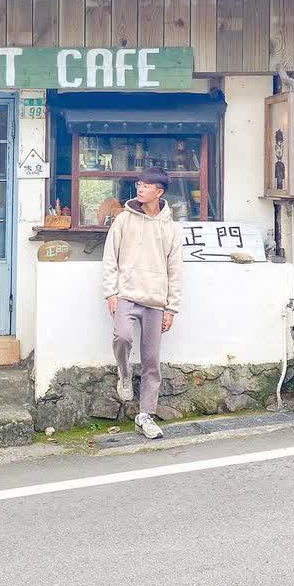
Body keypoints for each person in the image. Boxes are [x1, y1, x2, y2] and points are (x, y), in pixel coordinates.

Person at [102, 166, 184, 439]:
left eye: (146, 185)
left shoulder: (170, 228)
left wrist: (171, 307)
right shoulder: (124, 220)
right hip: (126, 292)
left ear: (158, 192)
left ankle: (145, 415)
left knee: (151, 361)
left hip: (156, 300)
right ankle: (124, 374)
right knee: (122, 337)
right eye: (138, 184)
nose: (140, 188)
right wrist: (111, 293)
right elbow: (109, 257)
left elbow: (175, 270)